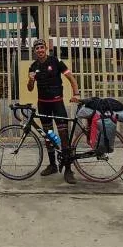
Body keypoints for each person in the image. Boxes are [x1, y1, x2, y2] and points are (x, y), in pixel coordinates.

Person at [27, 38, 81, 184]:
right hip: (43, 104)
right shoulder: (33, 67)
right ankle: (52, 165)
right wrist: (31, 80)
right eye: (37, 48)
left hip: (57, 104)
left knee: (63, 135)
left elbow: (70, 77)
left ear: (46, 48)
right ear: (34, 51)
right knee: (48, 135)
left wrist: (76, 94)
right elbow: (30, 88)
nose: (39, 50)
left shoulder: (55, 61)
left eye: (41, 47)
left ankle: (69, 170)